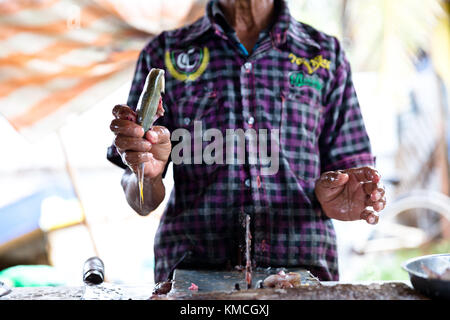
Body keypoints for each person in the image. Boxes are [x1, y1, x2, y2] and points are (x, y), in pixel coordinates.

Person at [107, 0, 386, 283]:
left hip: (303, 271)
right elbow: (140, 198)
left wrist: (341, 197)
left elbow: (349, 174)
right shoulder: (165, 53)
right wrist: (146, 175)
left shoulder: (324, 55)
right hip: (193, 275)